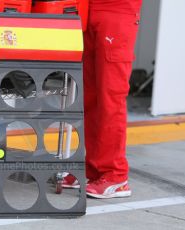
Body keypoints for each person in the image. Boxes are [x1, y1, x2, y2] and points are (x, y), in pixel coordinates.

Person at [63, 0, 143, 199]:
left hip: (117, 11)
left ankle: (115, 176)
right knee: (90, 99)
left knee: (111, 99)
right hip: (89, 10)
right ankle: (93, 170)